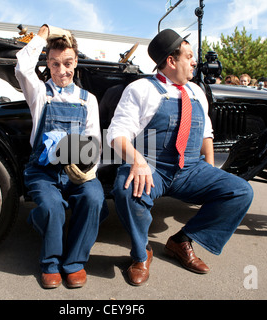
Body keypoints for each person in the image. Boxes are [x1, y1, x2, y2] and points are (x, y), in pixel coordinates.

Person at [107, 29, 254, 286]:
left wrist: (210, 169)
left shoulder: (196, 91)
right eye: (189, 56)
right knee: (126, 189)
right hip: (152, 165)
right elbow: (117, 134)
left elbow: (206, 132)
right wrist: (137, 161)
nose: (194, 61)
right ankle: (141, 254)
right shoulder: (141, 89)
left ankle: (181, 241)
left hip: (191, 168)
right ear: (172, 61)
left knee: (240, 191)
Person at [15, 24, 105, 289]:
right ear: (48, 63)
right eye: (54, 64)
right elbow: (22, 66)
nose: (62, 70)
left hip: (76, 169)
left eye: (67, 63)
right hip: (43, 170)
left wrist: (88, 170)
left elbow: (94, 143)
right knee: (52, 207)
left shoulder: (88, 100)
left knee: (94, 197)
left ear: (76, 62)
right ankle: (51, 263)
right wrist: (43, 33)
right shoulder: (40, 93)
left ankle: (75, 262)